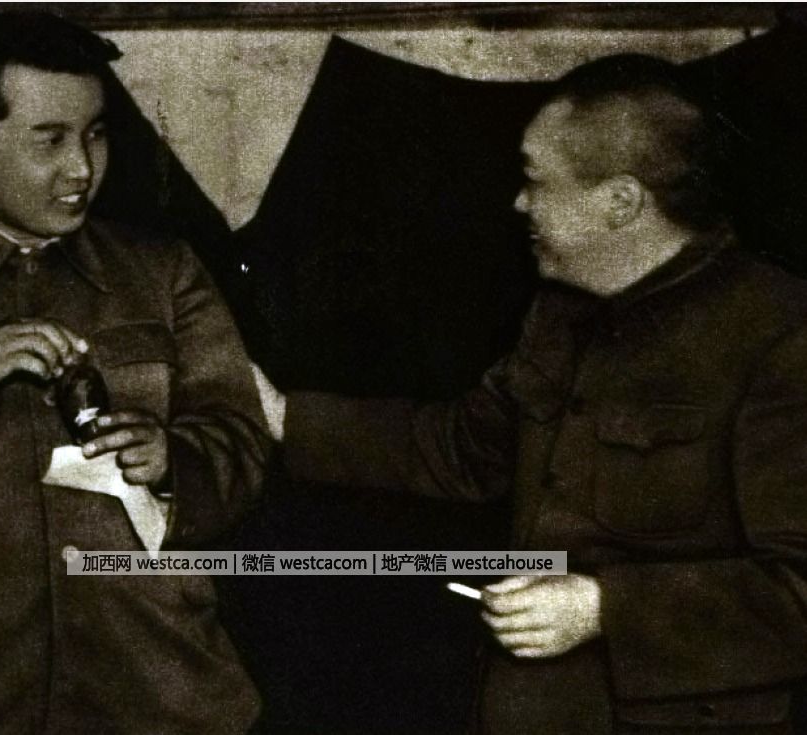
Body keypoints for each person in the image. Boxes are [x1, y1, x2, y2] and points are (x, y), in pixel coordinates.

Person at [253, 54, 807, 734]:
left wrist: (602, 609)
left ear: (621, 202)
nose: (519, 203)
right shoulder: (561, 312)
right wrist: (283, 416)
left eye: (536, 180)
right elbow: (464, 450)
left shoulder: (782, 335)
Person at [0, 12, 268, 734]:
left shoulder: (164, 272)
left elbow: (241, 443)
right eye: (49, 139)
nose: (82, 168)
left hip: (151, 686)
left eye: (95, 134)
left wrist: (172, 461)